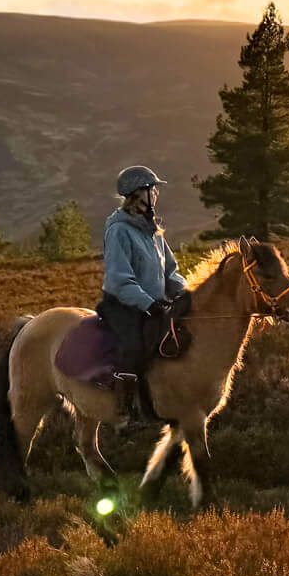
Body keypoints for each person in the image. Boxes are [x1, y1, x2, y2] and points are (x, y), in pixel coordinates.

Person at [97, 165, 189, 423]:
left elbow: (170, 271)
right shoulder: (118, 230)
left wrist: (186, 294)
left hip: (155, 304)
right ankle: (126, 413)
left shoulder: (153, 231)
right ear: (138, 194)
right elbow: (119, 281)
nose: (157, 194)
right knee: (134, 346)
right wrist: (149, 304)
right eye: (153, 189)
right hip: (123, 306)